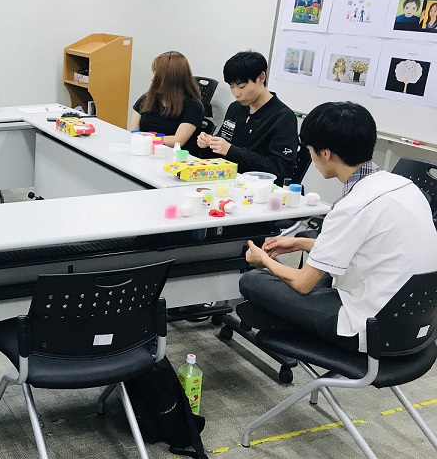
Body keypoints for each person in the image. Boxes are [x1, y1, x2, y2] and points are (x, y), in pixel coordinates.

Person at [237, 101, 437, 352]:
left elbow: (302, 283)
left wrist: (263, 260)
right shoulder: (404, 186)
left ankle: (284, 322)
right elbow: (364, 247)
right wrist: (300, 242)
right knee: (312, 274)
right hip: (416, 323)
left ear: (325, 153)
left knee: (253, 281)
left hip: (370, 328)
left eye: (310, 149)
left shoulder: (351, 206)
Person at [197, 51, 298, 181]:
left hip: (257, 186)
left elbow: (281, 169)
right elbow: (223, 145)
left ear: (261, 77)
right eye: (232, 86)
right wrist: (208, 143)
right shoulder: (235, 108)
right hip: (227, 179)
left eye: (242, 86)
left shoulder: (283, 117)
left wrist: (231, 151)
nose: (236, 93)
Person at [127, 51, 205, 155]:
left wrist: (146, 138)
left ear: (171, 78)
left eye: (157, 74)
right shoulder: (147, 99)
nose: (152, 78)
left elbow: (177, 141)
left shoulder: (193, 107)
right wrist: (146, 140)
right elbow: (132, 132)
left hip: (172, 157)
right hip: (145, 153)